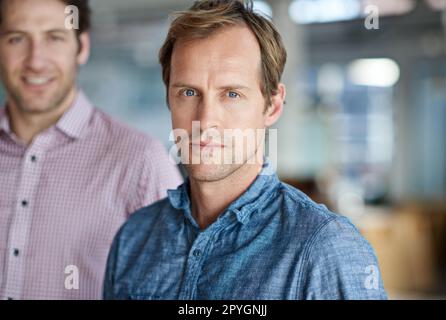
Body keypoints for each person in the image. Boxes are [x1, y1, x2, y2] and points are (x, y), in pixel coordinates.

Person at [103, 0, 387, 300]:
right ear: (169, 99)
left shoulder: (324, 247)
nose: (205, 120)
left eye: (232, 94)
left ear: (272, 105)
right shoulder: (134, 238)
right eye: (188, 92)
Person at [0, 0, 182, 299]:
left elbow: (178, 289)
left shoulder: (140, 162)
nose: (35, 60)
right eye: (16, 38)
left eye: (54, 37)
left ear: (81, 46)